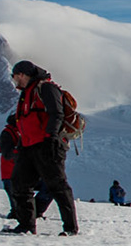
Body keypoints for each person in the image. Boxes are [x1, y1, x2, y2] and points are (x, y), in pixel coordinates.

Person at [6, 60, 79, 236]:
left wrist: (51, 138)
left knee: (57, 185)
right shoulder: (26, 93)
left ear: (22, 74)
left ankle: (70, 228)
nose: (14, 80)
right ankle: (26, 225)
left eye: (15, 76)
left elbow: (56, 113)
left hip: (48, 145)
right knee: (19, 183)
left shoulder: (45, 88)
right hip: (29, 146)